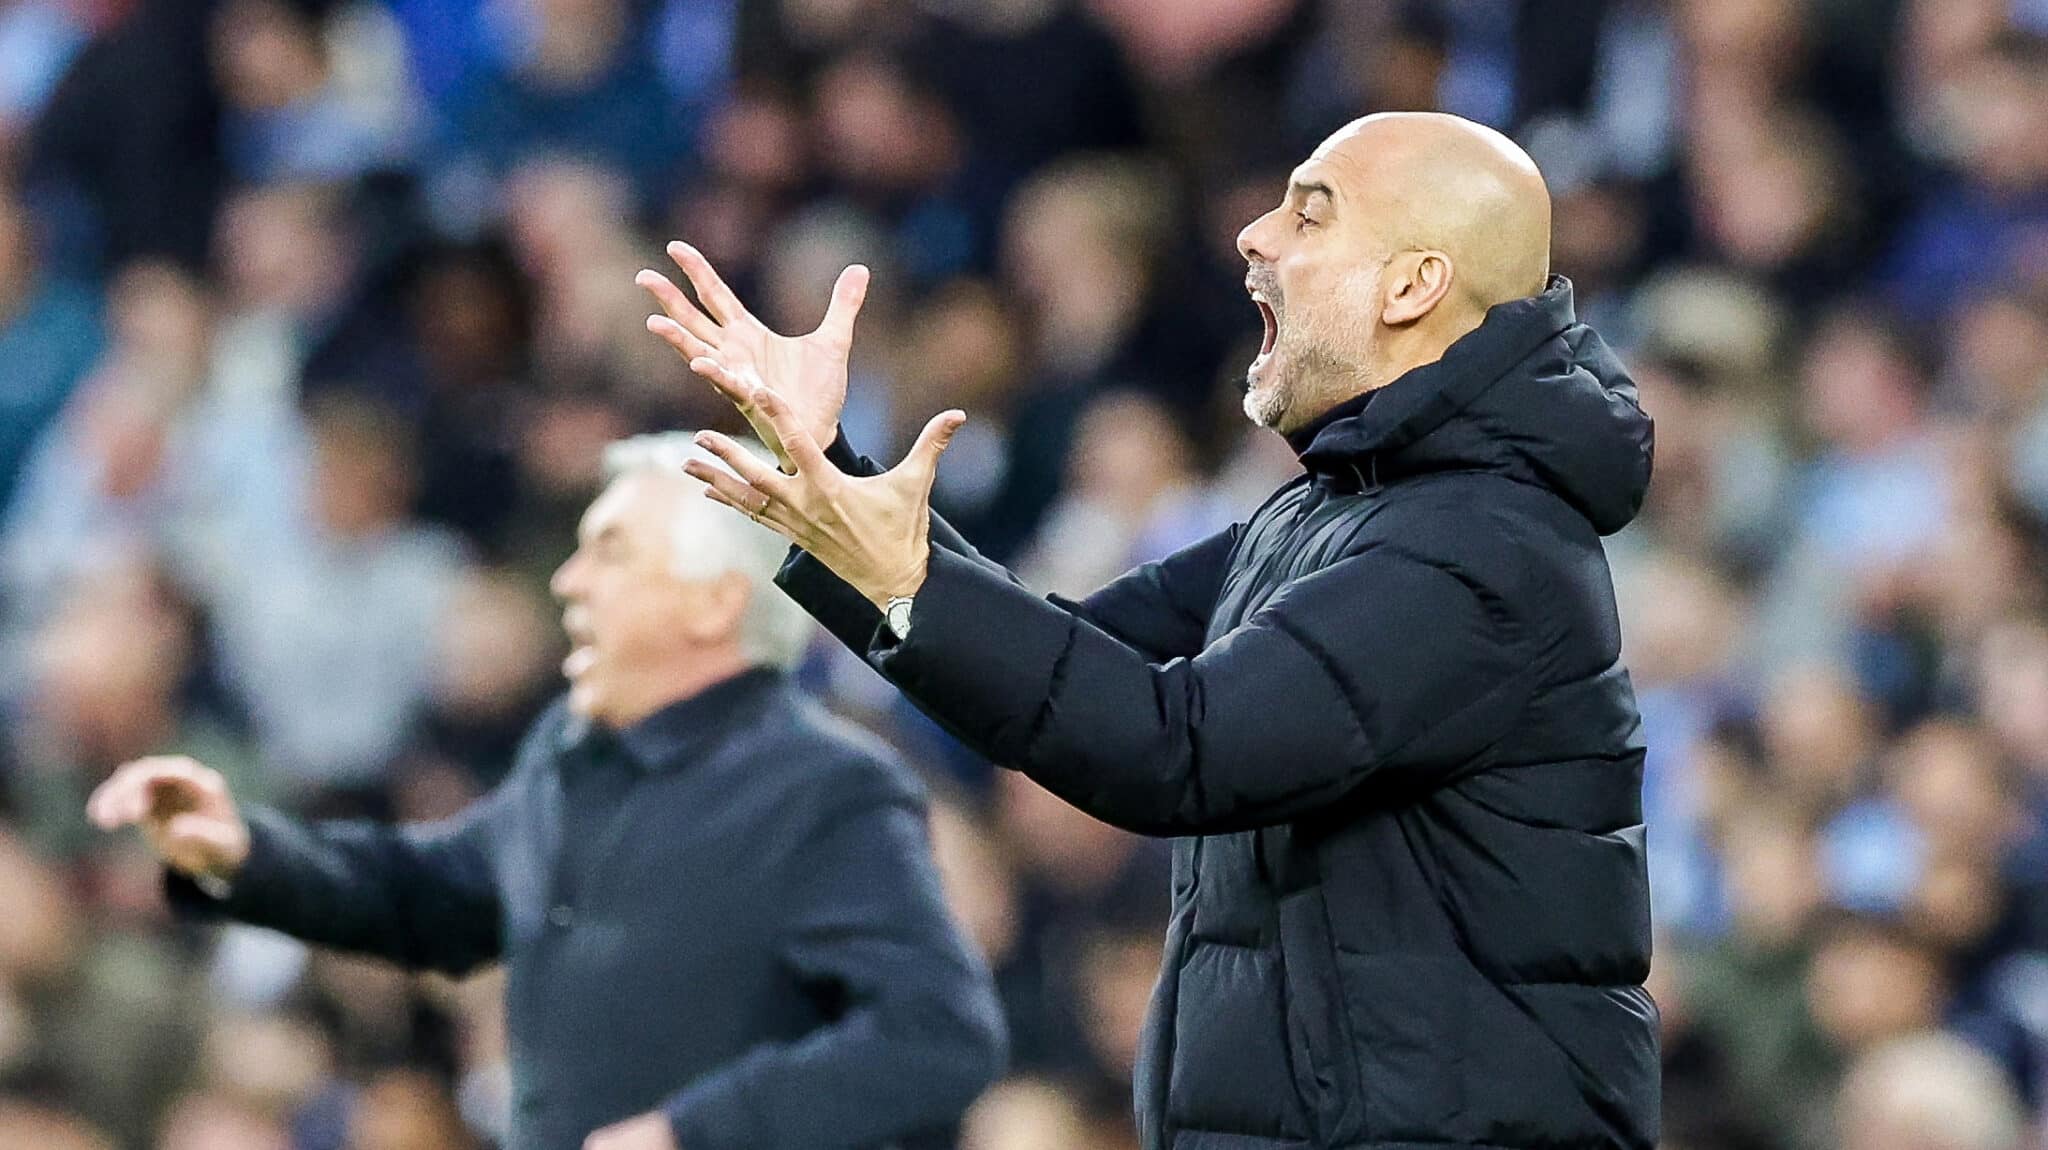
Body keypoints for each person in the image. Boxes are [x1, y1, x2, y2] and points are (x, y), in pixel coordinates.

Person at [638, 111, 1659, 1149]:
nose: (1253, 236)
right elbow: (1071, 661)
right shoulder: (1330, 514)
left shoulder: (1475, 550)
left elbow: (1172, 744)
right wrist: (836, 475)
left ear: (1412, 287)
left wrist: (890, 562)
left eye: (1309, 214)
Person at [86, 434, 1007, 1150]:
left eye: (608, 553)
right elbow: (429, 894)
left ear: (713, 603)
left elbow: (939, 1033)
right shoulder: (572, 758)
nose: (568, 585)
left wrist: (699, 1133)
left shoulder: (825, 789)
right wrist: (242, 850)